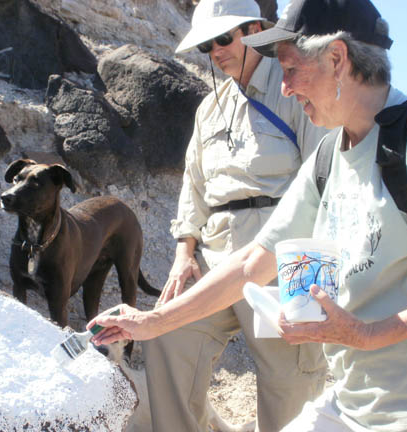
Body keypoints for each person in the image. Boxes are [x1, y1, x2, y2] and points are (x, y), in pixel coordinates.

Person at [90, 0, 407, 431]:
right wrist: (150, 322)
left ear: (337, 59)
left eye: (291, 70)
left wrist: (366, 335)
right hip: (349, 406)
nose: (284, 88)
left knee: (285, 382)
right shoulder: (329, 156)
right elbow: (254, 261)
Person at [138, 0, 328, 431]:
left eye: (224, 38)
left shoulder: (293, 87)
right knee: (167, 334)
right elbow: (194, 185)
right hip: (215, 250)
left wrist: (313, 276)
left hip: (281, 247)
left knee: (289, 377)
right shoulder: (209, 108)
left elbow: (325, 180)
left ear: (256, 30)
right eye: (207, 44)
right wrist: (183, 252)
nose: (216, 50)